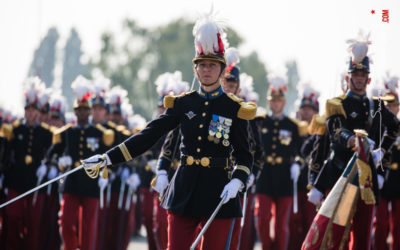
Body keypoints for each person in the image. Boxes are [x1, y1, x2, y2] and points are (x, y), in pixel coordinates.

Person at [82, 13, 256, 250]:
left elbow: (245, 156)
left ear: (222, 69)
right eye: (202, 65)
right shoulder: (182, 104)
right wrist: (108, 157)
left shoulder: (235, 108)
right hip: (183, 191)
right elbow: (149, 134)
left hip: (218, 192)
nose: (207, 70)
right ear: (195, 70)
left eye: (212, 65)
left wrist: (238, 179)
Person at [310, 33, 400, 249]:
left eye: (363, 74)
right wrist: (354, 141)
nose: (359, 78)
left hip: (367, 177)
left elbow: (395, 126)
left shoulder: (376, 105)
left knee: (362, 236)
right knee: (336, 233)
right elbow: (336, 130)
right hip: (342, 176)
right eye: (355, 74)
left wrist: (381, 151)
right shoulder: (336, 103)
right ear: (348, 77)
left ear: (368, 78)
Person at [50, 75, 115, 250]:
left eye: (85, 110)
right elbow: (51, 155)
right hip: (71, 183)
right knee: (65, 222)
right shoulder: (67, 132)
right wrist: (59, 160)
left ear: (89, 111)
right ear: (75, 111)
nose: (81, 113)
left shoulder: (99, 132)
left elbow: (107, 157)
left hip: (91, 183)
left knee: (88, 227)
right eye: (78, 110)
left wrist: (105, 174)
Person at [1, 77, 53, 250]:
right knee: (13, 217)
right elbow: (7, 155)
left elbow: (50, 153)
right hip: (15, 180)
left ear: (38, 112)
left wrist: (48, 165)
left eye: (33, 110)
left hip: (35, 183)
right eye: (27, 110)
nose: (30, 113)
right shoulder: (15, 130)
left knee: (33, 223)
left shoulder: (46, 133)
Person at [254, 75, 303, 250]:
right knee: (263, 218)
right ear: (268, 101)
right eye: (272, 100)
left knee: (282, 223)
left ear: (283, 102)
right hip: (265, 174)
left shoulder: (291, 125)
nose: (275, 103)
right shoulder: (260, 122)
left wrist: (297, 163)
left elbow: (299, 150)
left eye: (279, 100)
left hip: (284, 176)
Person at [288, 85, 320, 249]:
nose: (306, 112)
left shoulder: (320, 131)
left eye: (310, 109)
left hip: (313, 184)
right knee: (294, 223)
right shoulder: (292, 130)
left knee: (310, 222)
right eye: (303, 108)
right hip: (294, 183)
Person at [373, 75, 400, 250]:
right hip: (381, 179)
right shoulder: (377, 128)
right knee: (380, 223)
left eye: (394, 105)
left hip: (398, 181)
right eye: (387, 105)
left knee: (398, 225)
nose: (391, 108)